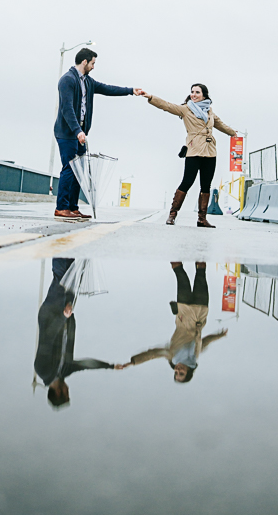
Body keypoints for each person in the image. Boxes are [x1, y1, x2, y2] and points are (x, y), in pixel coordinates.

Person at [54, 48, 143, 219]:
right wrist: (77, 130)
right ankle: (61, 207)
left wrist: (131, 90)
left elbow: (108, 88)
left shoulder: (87, 82)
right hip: (67, 133)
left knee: (79, 171)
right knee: (69, 168)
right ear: (85, 62)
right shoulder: (67, 80)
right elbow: (67, 109)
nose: (94, 66)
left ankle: (73, 207)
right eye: (93, 63)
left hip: (80, 133)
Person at [140, 83, 237, 226]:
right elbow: (167, 106)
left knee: (206, 185)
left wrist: (233, 133)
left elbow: (220, 124)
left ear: (204, 95)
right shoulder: (186, 109)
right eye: (192, 92)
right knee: (187, 182)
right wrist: (151, 97)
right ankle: (172, 215)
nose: (194, 94)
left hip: (210, 151)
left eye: (197, 92)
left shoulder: (209, 111)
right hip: (194, 150)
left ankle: (202, 219)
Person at [116, 262, 228, 382]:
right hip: (201, 310)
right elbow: (206, 341)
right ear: (188, 371)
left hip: (184, 313)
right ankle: (199, 246)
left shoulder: (172, 354)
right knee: (201, 270)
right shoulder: (196, 354)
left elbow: (152, 354)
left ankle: (176, 247)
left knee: (178, 271)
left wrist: (132, 363)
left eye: (176, 372)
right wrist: (219, 335)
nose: (178, 370)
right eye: (181, 373)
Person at [34, 258, 118, 408]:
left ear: (59, 393)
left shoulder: (43, 370)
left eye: (67, 393)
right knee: (71, 280)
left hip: (52, 314)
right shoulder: (64, 371)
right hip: (65, 315)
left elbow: (49, 337)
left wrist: (62, 316)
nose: (68, 390)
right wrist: (109, 366)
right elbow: (85, 365)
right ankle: (70, 250)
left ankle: (61, 248)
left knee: (61, 279)